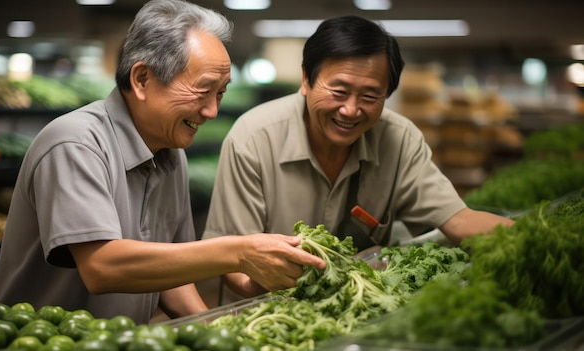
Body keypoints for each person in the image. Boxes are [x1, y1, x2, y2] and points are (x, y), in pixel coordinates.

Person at [0, 0, 325, 325]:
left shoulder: (170, 153)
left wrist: (212, 329)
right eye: (203, 90)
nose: (211, 111)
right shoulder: (75, 143)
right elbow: (102, 266)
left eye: (220, 93)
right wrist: (238, 252)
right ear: (142, 79)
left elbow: (168, 274)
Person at [202, 15, 514, 299]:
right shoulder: (255, 137)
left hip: (358, 310)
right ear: (306, 80)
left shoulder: (399, 139)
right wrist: (269, 284)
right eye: (338, 92)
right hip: (265, 317)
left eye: (369, 96)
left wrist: (532, 239)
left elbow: (459, 220)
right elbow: (230, 259)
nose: (350, 110)